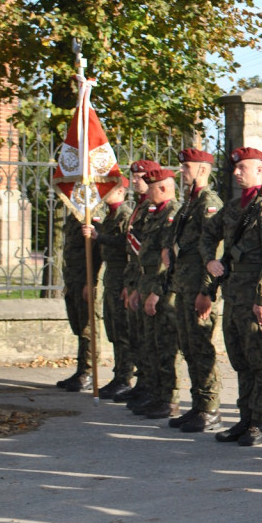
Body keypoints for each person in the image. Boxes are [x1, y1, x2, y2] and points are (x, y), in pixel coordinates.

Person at [202, 147, 262, 446]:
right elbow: (208, 234)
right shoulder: (233, 207)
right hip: (233, 296)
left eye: (244, 168)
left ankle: (260, 423)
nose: (237, 172)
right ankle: (245, 418)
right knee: (241, 362)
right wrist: (209, 260)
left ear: (260, 171)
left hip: (254, 299)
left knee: (261, 364)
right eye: (236, 168)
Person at [165, 148, 224, 432]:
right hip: (184, 285)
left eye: (186, 166)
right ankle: (198, 405)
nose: (182, 171)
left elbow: (214, 251)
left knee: (201, 348)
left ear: (202, 169)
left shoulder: (209, 203)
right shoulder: (190, 202)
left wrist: (207, 291)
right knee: (189, 347)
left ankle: (211, 407)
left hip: (198, 287)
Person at [133, 166, 182, 419]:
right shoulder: (155, 213)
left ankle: (169, 398)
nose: (146, 191)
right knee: (150, 343)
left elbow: (167, 260)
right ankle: (156, 394)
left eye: (150, 187)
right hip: (148, 284)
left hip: (163, 290)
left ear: (163, 188)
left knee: (165, 345)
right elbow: (146, 256)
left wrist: (156, 292)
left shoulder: (172, 214)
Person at [81, 177, 133, 400]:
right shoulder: (110, 216)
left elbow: (127, 243)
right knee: (113, 329)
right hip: (111, 276)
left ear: (121, 191)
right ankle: (118, 375)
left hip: (122, 275)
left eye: (109, 189)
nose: (104, 193)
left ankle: (125, 377)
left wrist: (99, 236)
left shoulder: (125, 214)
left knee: (123, 331)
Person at [55, 197, 104, 392]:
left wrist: (90, 282)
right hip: (74, 279)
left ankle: (88, 372)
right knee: (78, 325)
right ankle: (81, 369)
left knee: (88, 327)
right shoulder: (74, 218)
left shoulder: (93, 217)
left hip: (86, 281)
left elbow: (97, 254)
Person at [121, 163, 154, 409]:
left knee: (151, 340)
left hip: (150, 282)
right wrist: (130, 284)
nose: (135, 181)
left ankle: (152, 388)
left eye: (141, 177)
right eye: (133, 177)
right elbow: (134, 254)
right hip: (138, 279)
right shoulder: (140, 207)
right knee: (138, 337)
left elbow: (150, 254)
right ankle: (143, 384)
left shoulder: (152, 209)